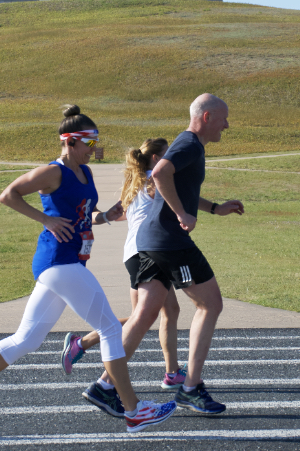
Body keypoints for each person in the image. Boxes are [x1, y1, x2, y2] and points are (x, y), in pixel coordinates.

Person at [0, 105, 176, 435]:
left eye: (96, 143)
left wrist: (106, 216)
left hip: (68, 264)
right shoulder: (53, 172)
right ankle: (133, 410)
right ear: (69, 141)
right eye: (89, 143)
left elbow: (86, 213)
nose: (94, 150)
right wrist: (46, 219)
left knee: (26, 339)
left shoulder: (86, 173)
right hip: (59, 261)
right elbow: (8, 195)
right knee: (110, 328)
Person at [80, 94, 244, 417]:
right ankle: (191, 387)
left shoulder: (188, 145)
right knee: (210, 303)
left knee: (144, 315)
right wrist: (182, 213)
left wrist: (213, 208)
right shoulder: (190, 144)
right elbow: (160, 173)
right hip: (170, 242)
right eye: (224, 118)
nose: (227, 124)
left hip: (151, 241)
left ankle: (104, 385)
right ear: (207, 117)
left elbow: (175, 182)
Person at [61, 138, 187, 415]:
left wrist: (106, 215)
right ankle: (101, 373)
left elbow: (125, 212)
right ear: (156, 158)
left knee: (162, 311)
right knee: (143, 317)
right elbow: (177, 200)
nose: (171, 161)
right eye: (167, 155)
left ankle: (172, 372)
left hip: (138, 253)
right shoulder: (157, 179)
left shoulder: (138, 181)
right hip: (149, 251)